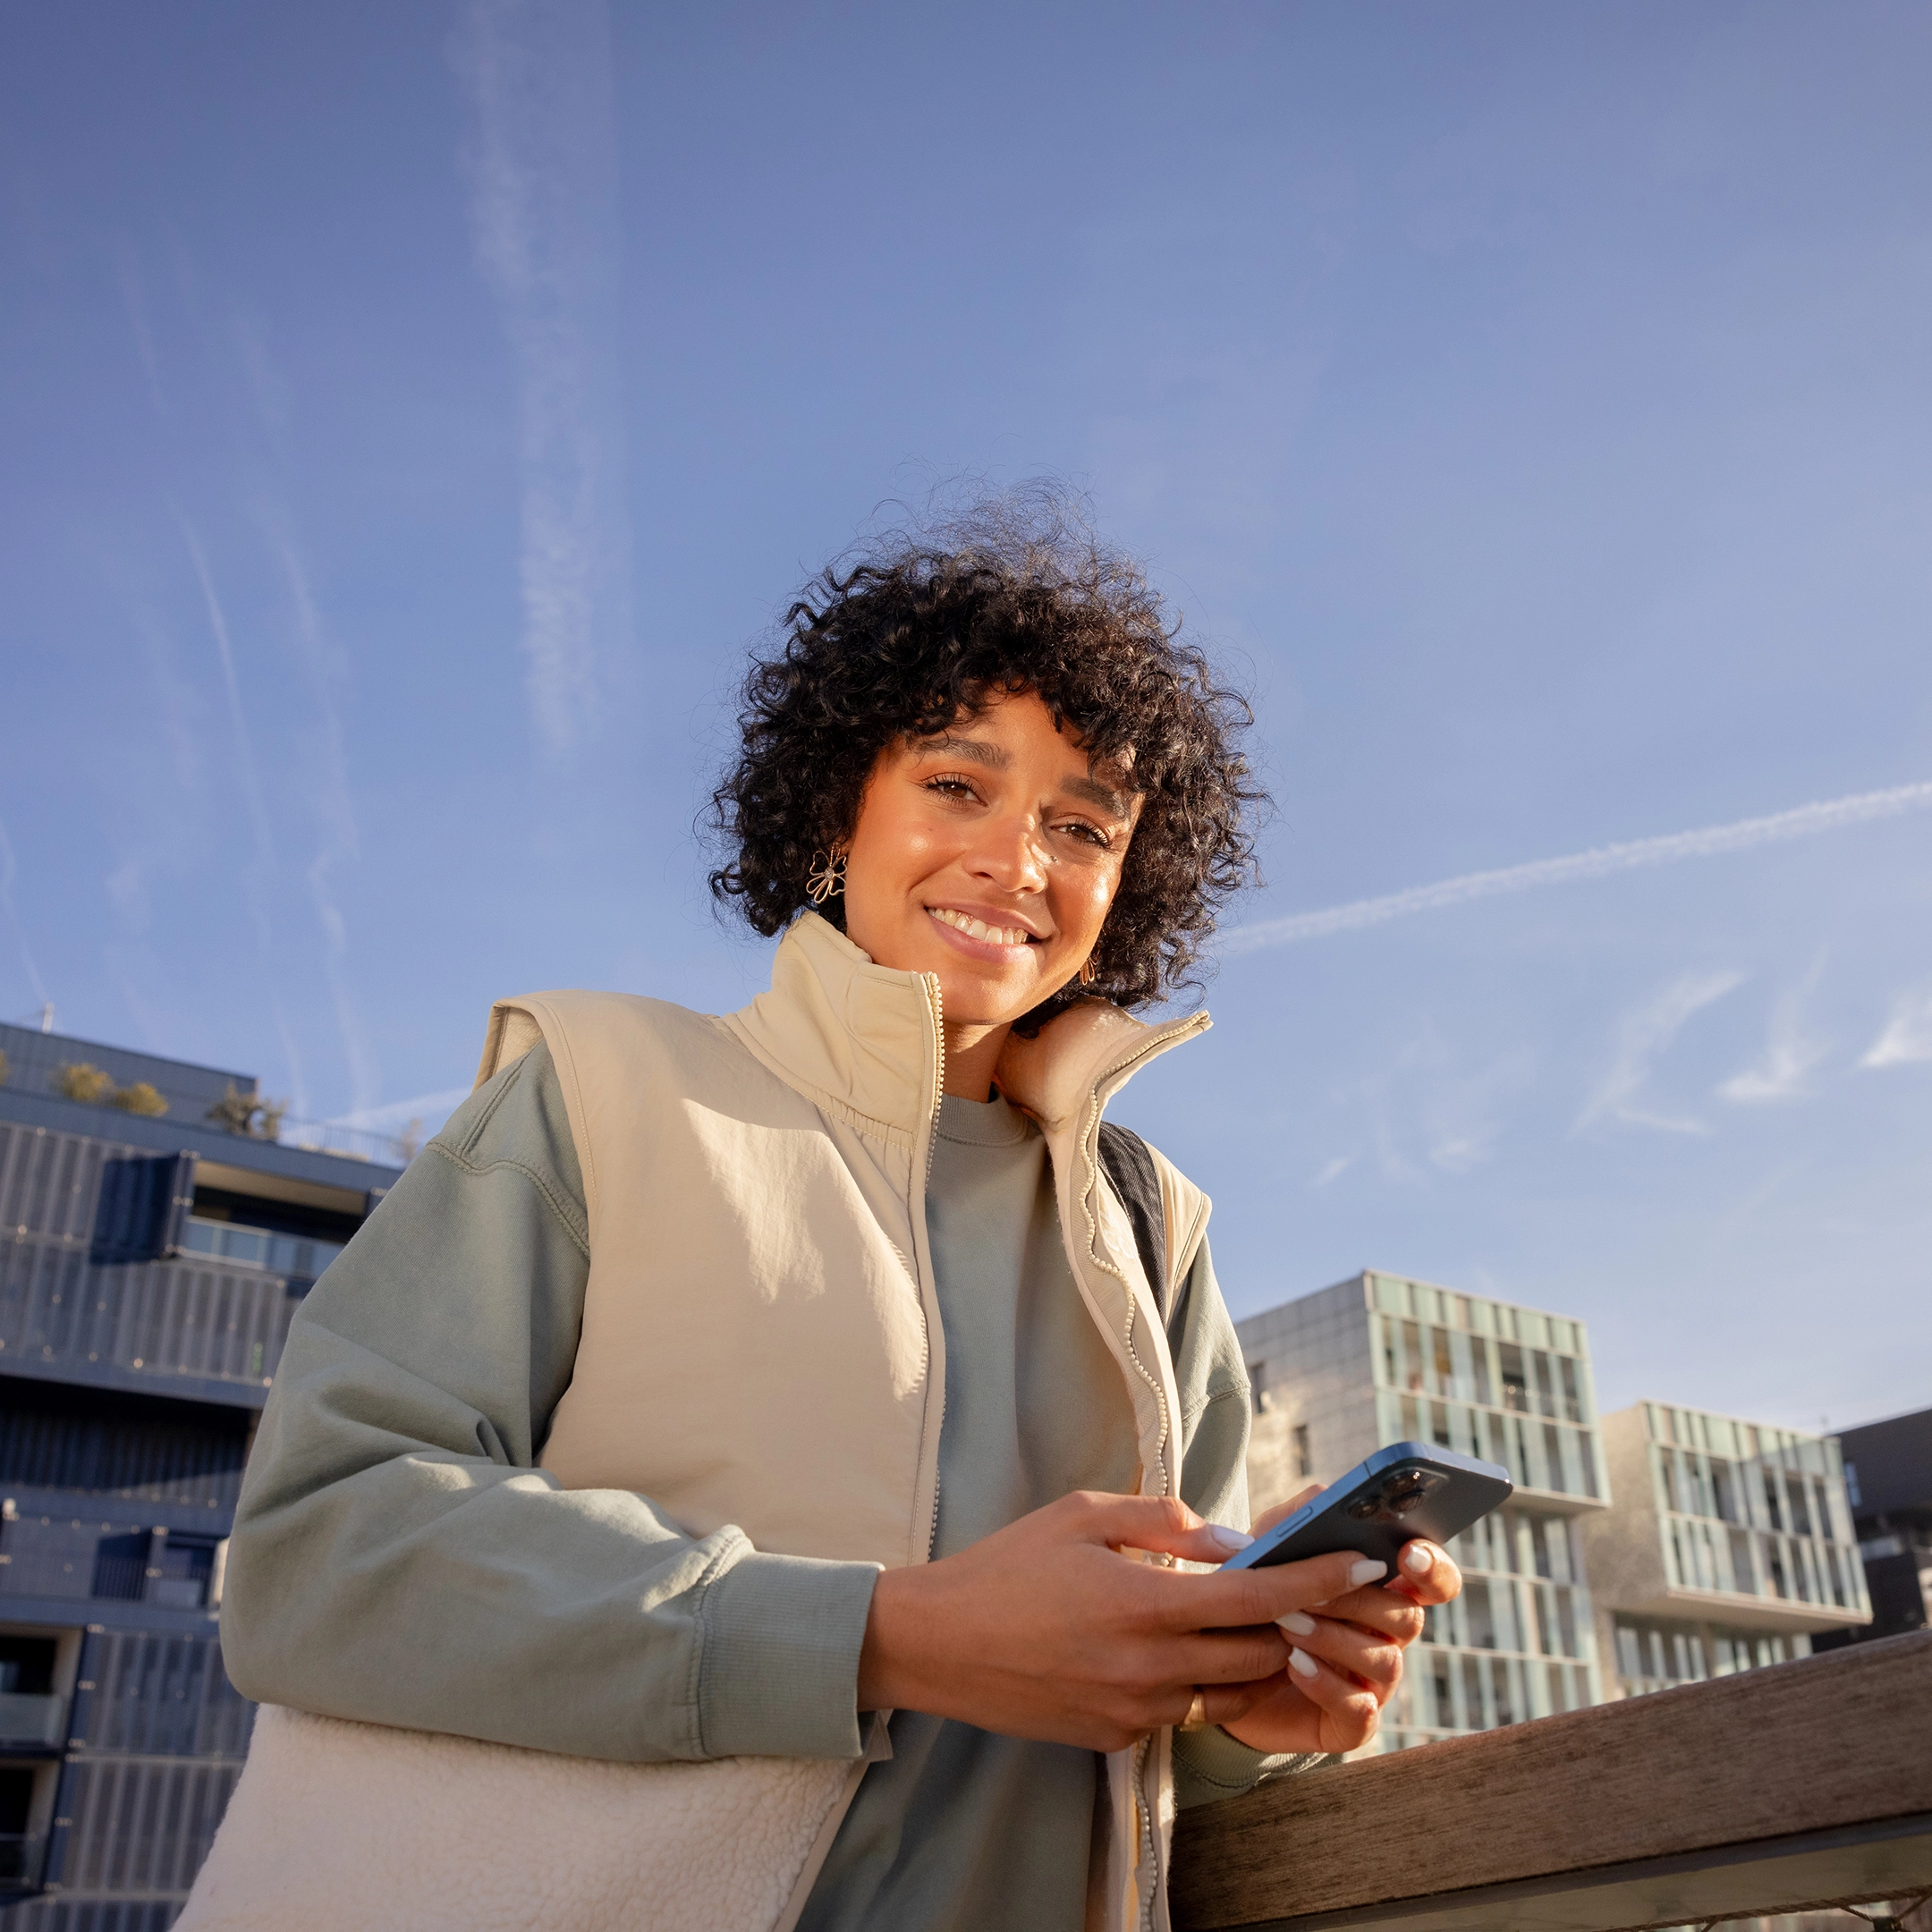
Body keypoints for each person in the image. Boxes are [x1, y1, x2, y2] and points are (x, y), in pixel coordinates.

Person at [193, 498, 1462, 1932]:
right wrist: (873, 1640)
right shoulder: (602, 1092)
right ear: (835, 803)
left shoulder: (1151, 1223)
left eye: (1082, 823)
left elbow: (1146, 1741)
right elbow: (316, 1560)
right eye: (958, 785)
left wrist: (1248, 1706)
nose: (1018, 861)